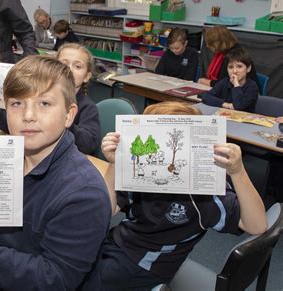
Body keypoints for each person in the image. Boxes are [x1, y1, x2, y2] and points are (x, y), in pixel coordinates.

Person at [0, 56, 111, 290]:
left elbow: (55, 279)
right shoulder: (9, 159)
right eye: (17, 103)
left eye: (44, 104)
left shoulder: (84, 194)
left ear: (69, 115)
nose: (28, 115)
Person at [84, 101, 266, 290]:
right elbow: (105, 210)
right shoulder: (141, 172)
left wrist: (238, 171)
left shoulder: (205, 192)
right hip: (118, 243)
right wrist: (115, 163)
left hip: (144, 265)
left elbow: (257, 225)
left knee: (75, 276)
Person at [0, 43, 101, 155]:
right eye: (63, 64)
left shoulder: (88, 107)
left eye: (78, 66)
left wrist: (62, 118)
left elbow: (88, 144)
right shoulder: (34, 98)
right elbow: (15, 128)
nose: (69, 69)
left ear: (87, 76)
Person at [203, 47, 259, 112]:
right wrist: (225, 104)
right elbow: (206, 97)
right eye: (231, 67)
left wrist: (236, 85)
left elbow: (238, 106)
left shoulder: (252, 87)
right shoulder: (224, 82)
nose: (234, 71)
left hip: (244, 120)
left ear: (248, 68)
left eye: (239, 66)